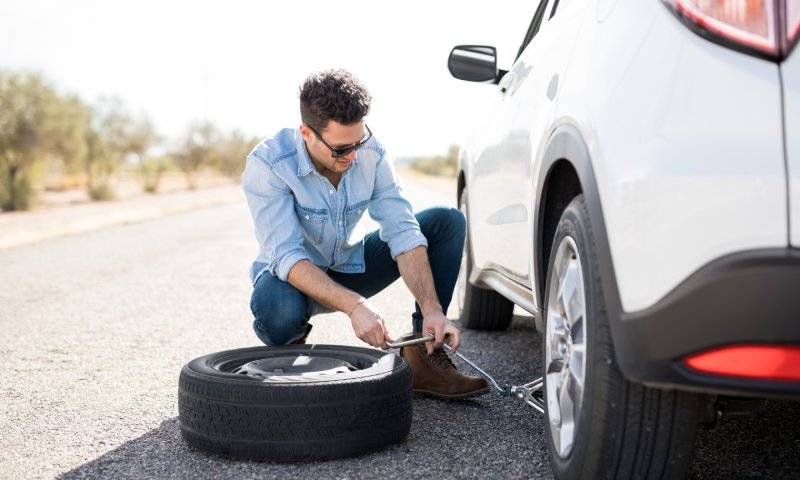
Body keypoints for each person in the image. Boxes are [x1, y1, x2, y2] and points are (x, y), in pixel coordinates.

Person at [241, 68, 488, 400]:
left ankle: (424, 356)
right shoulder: (269, 163)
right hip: (293, 282)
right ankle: (290, 350)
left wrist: (432, 307)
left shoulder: (371, 152)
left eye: (358, 142)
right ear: (307, 133)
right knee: (278, 310)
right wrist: (355, 306)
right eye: (341, 149)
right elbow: (287, 256)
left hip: (351, 264)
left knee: (447, 221)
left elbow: (402, 231)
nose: (353, 155)